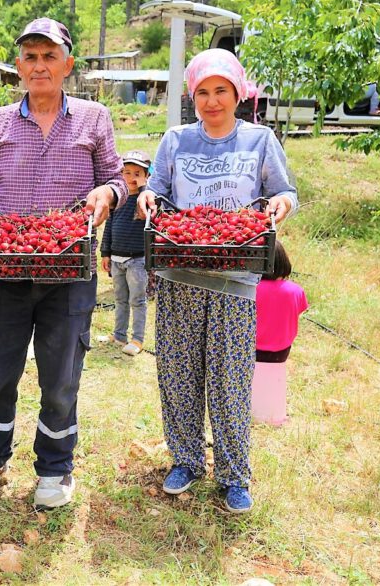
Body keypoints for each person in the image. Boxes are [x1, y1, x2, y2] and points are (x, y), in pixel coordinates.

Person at [0, 17, 125, 510]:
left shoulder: (94, 118)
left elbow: (115, 178)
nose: (39, 66)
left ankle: (54, 467)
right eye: (30, 57)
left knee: (61, 375)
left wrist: (106, 194)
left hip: (68, 267)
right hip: (5, 266)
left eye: (50, 56)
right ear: (18, 66)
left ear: (68, 65)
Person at [137, 48, 297, 514]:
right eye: (203, 92)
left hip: (236, 277)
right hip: (181, 272)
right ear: (193, 96)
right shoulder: (176, 139)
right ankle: (186, 460)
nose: (211, 101)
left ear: (238, 93)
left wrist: (282, 205)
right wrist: (147, 198)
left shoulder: (259, 140)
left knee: (230, 381)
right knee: (178, 374)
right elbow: (157, 190)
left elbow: (284, 191)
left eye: (220, 91)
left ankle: (233, 474)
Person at [100, 149, 152, 356]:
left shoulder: (145, 201)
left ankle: (137, 339)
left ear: (147, 176)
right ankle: (119, 335)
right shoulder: (118, 199)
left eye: (137, 174)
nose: (131, 178)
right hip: (116, 257)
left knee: (137, 300)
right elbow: (109, 226)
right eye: (127, 173)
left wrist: (144, 189)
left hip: (136, 259)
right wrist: (105, 252)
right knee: (120, 299)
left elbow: (149, 221)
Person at [251, 241, 308, 426]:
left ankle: (252, 412)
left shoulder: (250, 290)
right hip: (282, 350)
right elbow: (299, 310)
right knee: (274, 379)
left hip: (251, 348)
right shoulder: (296, 291)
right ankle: (273, 414)